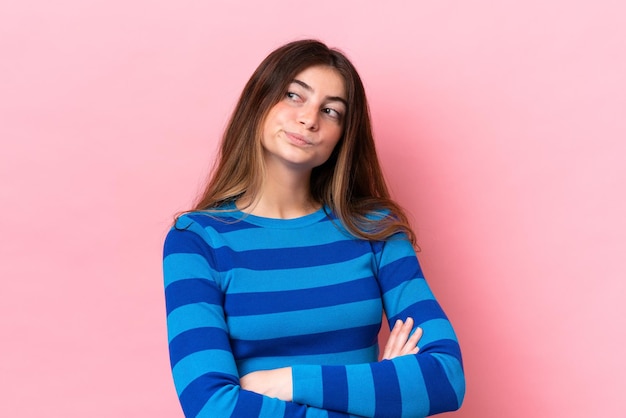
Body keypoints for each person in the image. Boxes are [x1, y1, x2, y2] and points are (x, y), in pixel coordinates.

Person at [163, 39, 465, 417]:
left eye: (331, 111)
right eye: (293, 95)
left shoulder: (375, 231)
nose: (309, 119)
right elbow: (211, 406)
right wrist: (381, 389)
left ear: (343, 136)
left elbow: (445, 377)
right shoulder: (196, 241)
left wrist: (285, 381)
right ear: (259, 101)